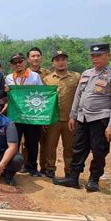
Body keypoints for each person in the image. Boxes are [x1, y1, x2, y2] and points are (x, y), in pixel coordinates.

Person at [54, 43, 111, 192]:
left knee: (99, 150)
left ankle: (94, 179)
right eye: (93, 56)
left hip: (100, 119)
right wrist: (73, 115)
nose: (95, 59)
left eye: (99, 55)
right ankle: (73, 178)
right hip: (82, 118)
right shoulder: (86, 73)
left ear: (108, 56)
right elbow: (78, 96)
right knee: (78, 148)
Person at [42, 50, 80, 178]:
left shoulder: (76, 77)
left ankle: (69, 171)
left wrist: (76, 117)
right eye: (57, 60)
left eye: (63, 59)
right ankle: (50, 169)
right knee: (50, 147)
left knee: (69, 148)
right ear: (53, 63)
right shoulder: (47, 80)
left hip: (70, 120)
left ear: (67, 61)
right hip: (53, 119)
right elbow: (43, 100)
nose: (61, 62)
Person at [5, 53, 44, 177]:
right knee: (14, 142)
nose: (18, 64)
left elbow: (42, 94)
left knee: (32, 142)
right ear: (11, 65)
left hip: (31, 115)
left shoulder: (35, 76)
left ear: (25, 62)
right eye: (14, 62)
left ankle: (32, 167)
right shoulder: (9, 78)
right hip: (15, 116)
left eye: (20, 61)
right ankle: (13, 167)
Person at [26, 47, 51, 175]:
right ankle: (26, 165)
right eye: (33, 56)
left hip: (43, 113)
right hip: (27, 114)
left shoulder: (49, 75)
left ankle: (45, 167)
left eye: (38, 56)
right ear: (28, 59)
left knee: (45, 141)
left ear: (41, 58)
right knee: (27, 142)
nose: (35, 58)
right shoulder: (23, 74)